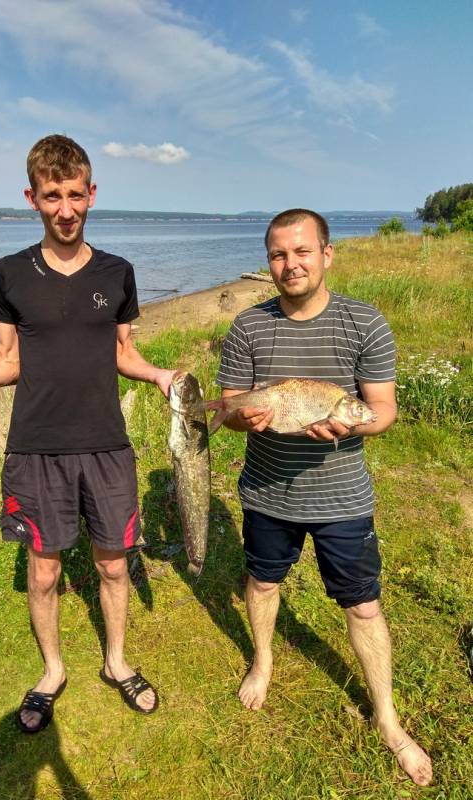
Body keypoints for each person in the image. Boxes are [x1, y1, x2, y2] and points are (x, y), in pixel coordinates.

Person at [0, 134, 176, 732]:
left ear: (92, 194)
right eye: (52, 196)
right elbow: (8, 360)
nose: (65, 209)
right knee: (44, 571)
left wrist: (160, 374)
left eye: (75, 195)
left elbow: (122, 352)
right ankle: (53, 670)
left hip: (107, 444)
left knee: (114, 567)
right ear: (31, 198)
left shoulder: (118, 272)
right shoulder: (8, 274)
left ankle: (115, 661)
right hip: (35, 447)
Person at [215, 209, 432, 786]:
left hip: (342, 499)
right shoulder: (247, 328)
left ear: (327, 254)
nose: (291, 264)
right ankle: (262, 663)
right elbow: (232, 407)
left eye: (303, 251)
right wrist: (246, 419)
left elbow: (382, 411)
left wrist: (352, 426)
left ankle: (387, 718)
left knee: (363, 604)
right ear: (270, 263)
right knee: (263, 583)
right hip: (266, 493)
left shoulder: (365, 323)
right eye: (280, 255)